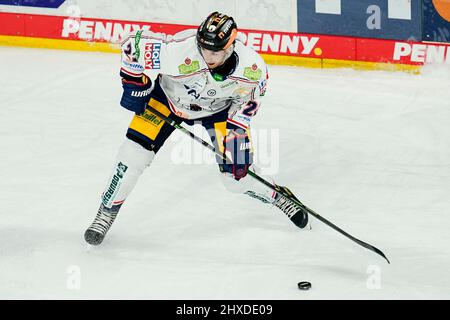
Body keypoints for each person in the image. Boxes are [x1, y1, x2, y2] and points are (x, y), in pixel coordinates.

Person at [84, 12, 308, 245]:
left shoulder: (252, 69)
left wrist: (237, 136)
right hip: (167, 101)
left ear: (230, 47)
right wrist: (134, 83)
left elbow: (246, 104)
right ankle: (106, 213)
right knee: (132, 155)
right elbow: (133, 45)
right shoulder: (177, 51)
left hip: (219, 113)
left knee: (235, 180)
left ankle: (277, 196)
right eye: (203, 48)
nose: (207, 56)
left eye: (215, 51)